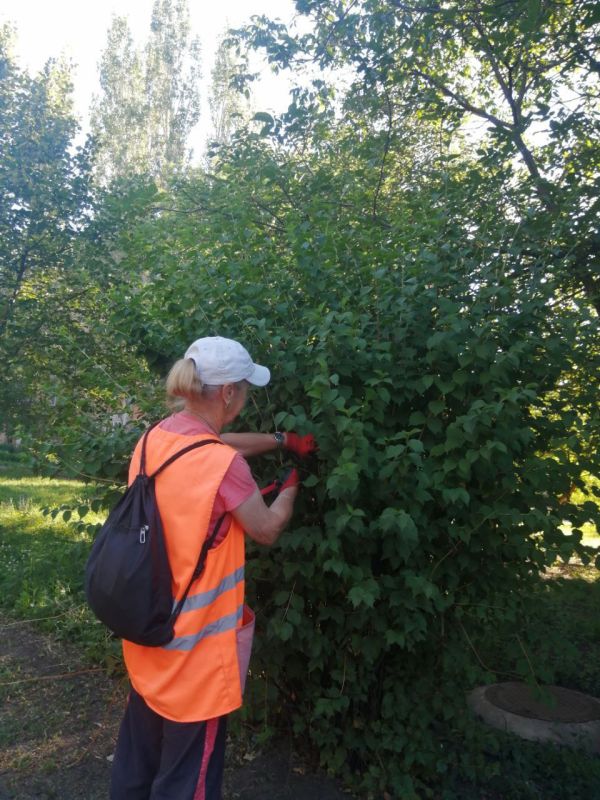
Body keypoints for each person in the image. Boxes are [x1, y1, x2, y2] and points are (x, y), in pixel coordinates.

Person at [110, 336, 317, 800]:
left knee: (137, 767)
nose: (245, 399)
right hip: (196, 658)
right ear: (228, 393)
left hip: (148, 638)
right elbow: (265, 530)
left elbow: (213, 446)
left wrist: (281, 441)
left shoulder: (154, 441)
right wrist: (290, 489)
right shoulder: (223, 467)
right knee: (186, 784)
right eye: (244, 390)